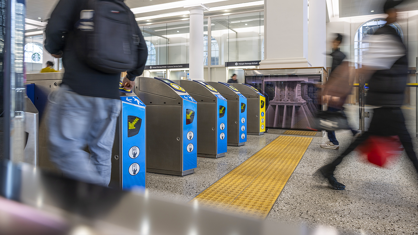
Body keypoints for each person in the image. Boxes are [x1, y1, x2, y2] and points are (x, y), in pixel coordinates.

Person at [316, 0, 418, 190]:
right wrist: (334, 89)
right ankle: (329, 168)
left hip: (389, 103)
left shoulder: (389, 34)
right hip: (388, 104)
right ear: (391, 12)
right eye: (398, 10)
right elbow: (364, 67)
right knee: (409, 147)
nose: (401, 14)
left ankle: (330, 168)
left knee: (366, 139)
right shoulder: (385, 36)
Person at [44, 0, 148, 186]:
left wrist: (55, 49)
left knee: (64, 149)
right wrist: (131, 76)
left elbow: (54, 28)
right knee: (101, 154)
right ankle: (98, 205)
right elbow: (142, 50)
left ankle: (95, 202)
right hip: (110, 98)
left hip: (78, 91)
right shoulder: (122, 8)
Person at [320, 34, 359, 150]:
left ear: (337, 42)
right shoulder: (340, 55)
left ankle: (333, 142)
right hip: (339, 92)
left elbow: (335, 76)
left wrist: (327, 91)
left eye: (333, 41)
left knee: (329, 117)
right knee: (340, 114)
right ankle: (354, 132)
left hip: (335, 92)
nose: (331, 42)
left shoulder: (337, 56)